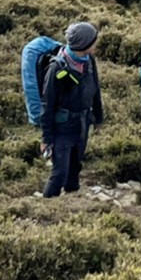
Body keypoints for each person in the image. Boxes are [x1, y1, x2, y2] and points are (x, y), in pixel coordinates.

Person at [40, 21, 104, 198]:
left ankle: (72, 203)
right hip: (63, 127)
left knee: (75, 167)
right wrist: (46, 138)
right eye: (93, 40)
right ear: (84, 44)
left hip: (82, 124)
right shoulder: (56, 68)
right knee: (59, 172)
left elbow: (95, 89)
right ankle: (46, 207)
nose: (96, 43)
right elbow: (47, 105)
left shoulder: (89, 60)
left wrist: (98, 118)